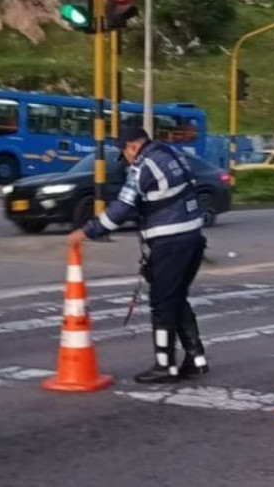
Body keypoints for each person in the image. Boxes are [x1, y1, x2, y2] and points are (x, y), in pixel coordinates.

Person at [67, 127, 208, 384]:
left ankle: (165, 366)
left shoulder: (143, 166)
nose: (126, 159)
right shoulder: (173, 154)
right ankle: (196, 358)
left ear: (132, 146)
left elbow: (123, 207)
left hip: (169, 240)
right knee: (176, 298)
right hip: (193, 236)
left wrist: (87, 231)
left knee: (162, 302)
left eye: (124, 152)